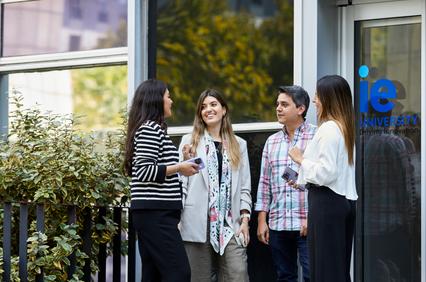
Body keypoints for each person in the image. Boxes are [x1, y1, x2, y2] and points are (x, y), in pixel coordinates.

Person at [124, 79, 199, 282]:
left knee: (154, 275)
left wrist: (183, 163)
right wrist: (179, 167)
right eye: (168, 96)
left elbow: (155, 170)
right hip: (155, 214)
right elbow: (144, 171)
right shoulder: (150, 129)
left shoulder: (151, 129)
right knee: (179, 273)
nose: (171, 101)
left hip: (153, 214)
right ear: (156, 101)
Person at [289, 75, 358, 282]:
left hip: (327, 204)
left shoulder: (328, 128)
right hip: (340, 201)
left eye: (318, 95)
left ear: (328, 98)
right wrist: (303, 180)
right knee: (337, 269)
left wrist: (300, 159)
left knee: (326, 271)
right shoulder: (343, 128)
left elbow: (327, 172)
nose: (315, 100)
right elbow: (335, 173)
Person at [178, 89, 252, 282]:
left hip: (231, 223)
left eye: (213, 105)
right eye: (203, 107)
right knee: (199, 278)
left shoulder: (239, 145)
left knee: (238, 274)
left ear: (224, 110)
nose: (208, 110)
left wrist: (245, 221)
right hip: (196, 223)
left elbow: (245, 187)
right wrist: (177, 217)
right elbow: (181, 183)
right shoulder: (190, 141)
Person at [255, 85, 315, 282]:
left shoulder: (316, 137)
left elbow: (321, 182)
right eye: (277, 104)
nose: (278, 108)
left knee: (311, 276)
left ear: (301, 109)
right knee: (284, 277)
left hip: (306, 223)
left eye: (284, 104)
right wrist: (263, 221)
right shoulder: (271, 142)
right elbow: (264, 184)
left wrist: (311, 217)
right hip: (278, 224)